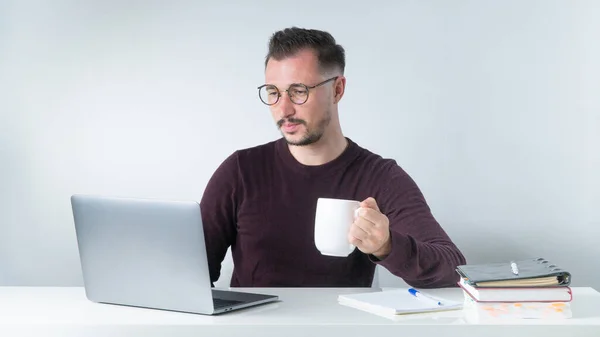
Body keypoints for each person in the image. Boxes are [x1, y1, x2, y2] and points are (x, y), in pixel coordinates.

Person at [200, 27, 466, 288]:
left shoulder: (381, 177)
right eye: (273, 92)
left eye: (299, 90)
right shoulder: (240, 171)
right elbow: (192, 270)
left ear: (337, 89)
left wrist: (388, 246)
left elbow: (453, 269)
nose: (284, 108)